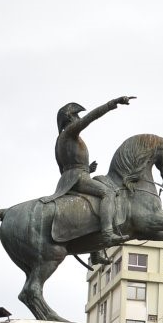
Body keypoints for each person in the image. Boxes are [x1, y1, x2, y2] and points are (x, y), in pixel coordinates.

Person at [41, 96, 134, 244]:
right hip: (78, 177)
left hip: (73, 177)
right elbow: (91, 118)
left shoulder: (60, 140)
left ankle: (95, 249)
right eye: (77, 116)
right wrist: (112, 103)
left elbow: (64, 166)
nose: (79, 119)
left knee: (102, 190)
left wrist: (87, 169)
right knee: (108, 193)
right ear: (70, 118)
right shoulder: (70, 132)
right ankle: (107, 234)